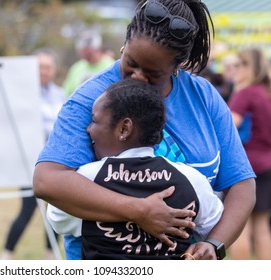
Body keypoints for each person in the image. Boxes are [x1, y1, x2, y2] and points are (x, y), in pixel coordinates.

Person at [33, 0, 256, 260]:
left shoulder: (203, 97)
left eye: (152, 73)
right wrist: (138, 210)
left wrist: (214, 244)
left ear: (176, 67)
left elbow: (241, 184)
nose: (137, 76)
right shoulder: (92, 100)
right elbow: (48, 180)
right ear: (124, 45)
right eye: (130, 62)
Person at [47, 79, 224, 259]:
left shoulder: (87, 179)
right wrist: (210, 245)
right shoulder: (192, 180)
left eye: (94, 120)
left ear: (124, 129)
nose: (88, 129)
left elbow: (57, 219)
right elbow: (216, 223)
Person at [0, 49, 66, 260]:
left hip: (59, 161)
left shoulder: (59, 94)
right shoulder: (24, 96)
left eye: (47, 67)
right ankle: (6, 254)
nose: (44, 71)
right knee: (27, 210)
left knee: (57, 210)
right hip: (31, 162)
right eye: (40, 67)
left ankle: (50, 255)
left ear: (53, 70)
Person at [227, 48, 271, 260]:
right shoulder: (266, 93)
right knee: (262, 227)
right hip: (267, 164)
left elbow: (228, 126)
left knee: (240, 228)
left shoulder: (245, 94)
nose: (233, 70)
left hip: (245, 167)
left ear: (249, 67)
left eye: (238, 65)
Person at [62, 30, 115, 96]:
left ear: (98, 49)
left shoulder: (111, 66)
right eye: (82, 52)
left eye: (88, 53)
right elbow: (66, 93)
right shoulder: (76, 68)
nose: (85, 55)